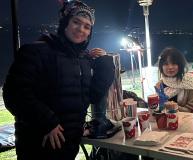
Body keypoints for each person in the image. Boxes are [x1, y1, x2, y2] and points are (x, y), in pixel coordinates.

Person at [2, 1, 115, 160]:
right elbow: (14, 94)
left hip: (69, 144)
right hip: (38, 144)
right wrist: (48, 122)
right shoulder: (36, 51)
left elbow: (92, 96)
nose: (80, 29)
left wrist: (105, 63)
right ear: (65, 24)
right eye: (76, 22)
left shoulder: (82, 59)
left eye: (87, 26)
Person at [155, 47, 193, 112]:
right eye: (166, 64)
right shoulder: (160, 83)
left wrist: (174, 107)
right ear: (161, 66)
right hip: (165, 119)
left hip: (186, 120)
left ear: (180, 65)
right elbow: (158, 107)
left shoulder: (189, 81)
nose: (170, 67)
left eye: (174, 63)